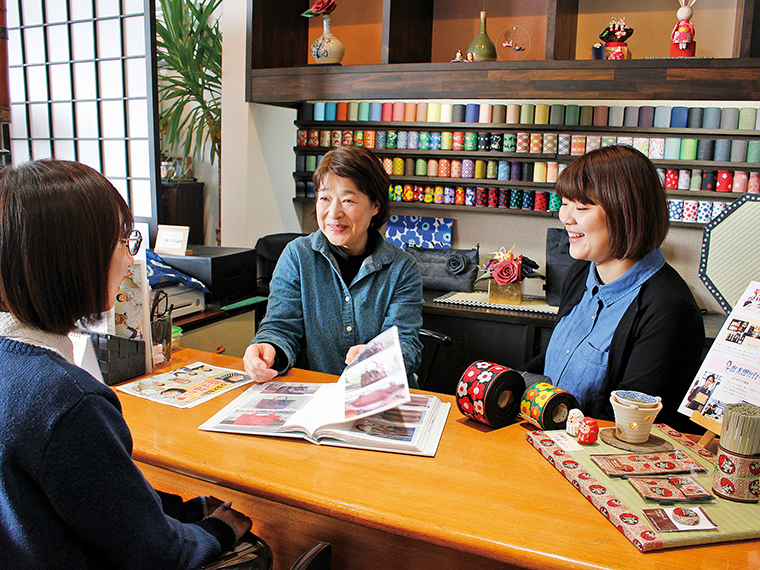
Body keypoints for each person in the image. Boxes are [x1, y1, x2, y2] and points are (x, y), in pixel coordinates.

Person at [0, 159, 251, 569]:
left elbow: (101, 502)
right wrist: (218, 530)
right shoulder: (66, 402)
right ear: (77, 259)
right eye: (123, 241)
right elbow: (157, 554)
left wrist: (181, 512)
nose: (130, 260)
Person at [522, 145, 704, 429]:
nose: (565, 217)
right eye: (565, 203)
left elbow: (629, 425)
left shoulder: (669, 310)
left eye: (582, 207)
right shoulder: (581, 272)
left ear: (626, 212)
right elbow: (559, 360)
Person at [244, 145, 423, 386]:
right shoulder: (297, 256)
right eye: (325, 198)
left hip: (379, 398)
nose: (333, 213)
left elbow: (406, 345)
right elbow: (280, 327)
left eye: (348, 199)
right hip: (314, 398)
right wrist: (268, 347)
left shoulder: (402, 268)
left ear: (375, 206)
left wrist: (379, 359)